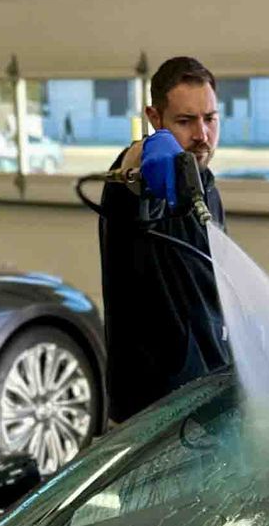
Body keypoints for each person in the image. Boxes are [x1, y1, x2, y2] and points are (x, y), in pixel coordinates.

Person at [97, 55, 230, 423]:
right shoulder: (139, 181)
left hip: (208, 399)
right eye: (185, 121)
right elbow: (132, 174)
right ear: (155, 118)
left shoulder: (206, 186)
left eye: (210, 119)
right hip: (150, 417)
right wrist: (146, 150)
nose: (202, 135)